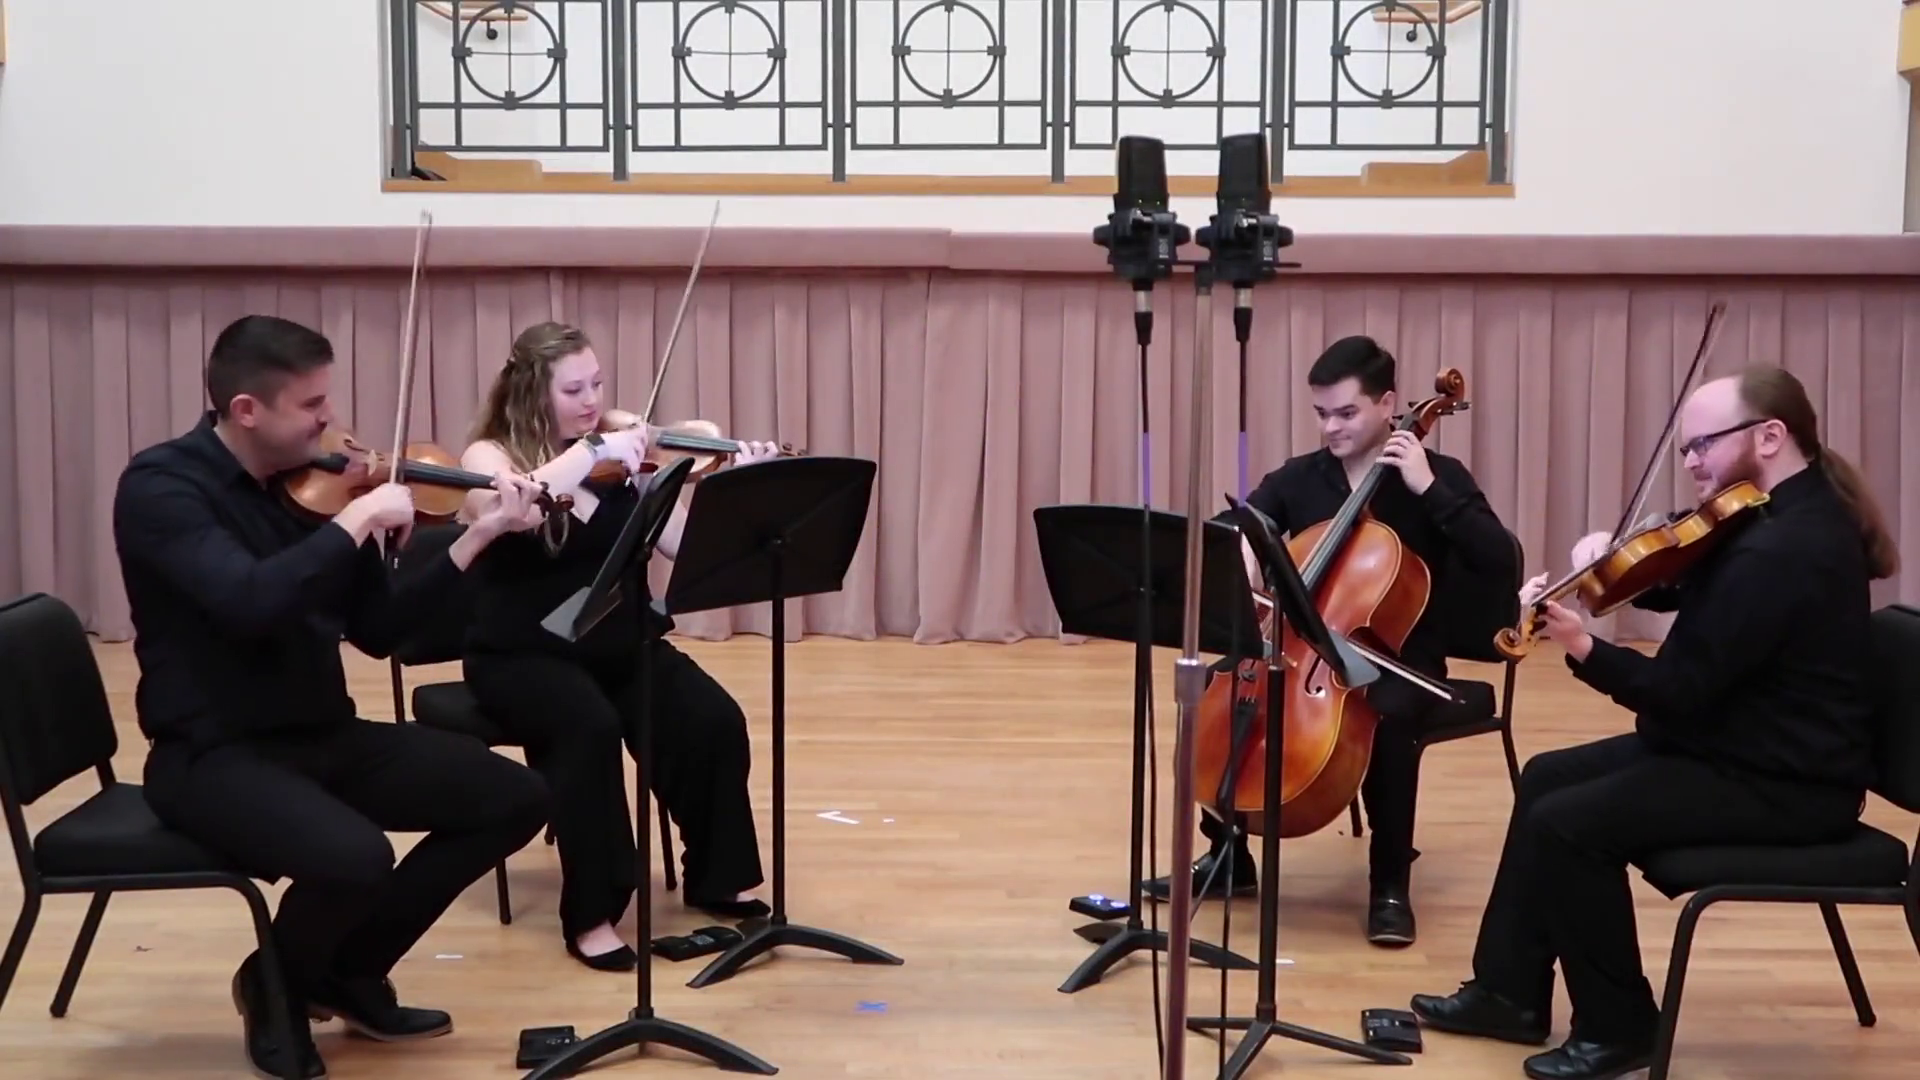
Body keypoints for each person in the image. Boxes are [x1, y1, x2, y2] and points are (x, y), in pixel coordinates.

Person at [1408, 366, 1899, 1080]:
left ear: (1770, 436)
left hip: (1784, 782)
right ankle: (1507, 992)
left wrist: (1582, 646)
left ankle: (1620, 1027)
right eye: (1686, 450)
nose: (1693, 462)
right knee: (1547, 779)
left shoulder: (1786, 549)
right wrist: (1615, 563)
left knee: (1570, 824)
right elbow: (1695, 580)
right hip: (1742, 745)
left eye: (1704, 445)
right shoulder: (1776, 511)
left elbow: (1674, 692)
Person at [113, 314, 555, 1080]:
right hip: (212, 753)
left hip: (321, 732)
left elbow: (382, 632)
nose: (332, 423)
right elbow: (248, 601)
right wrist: (353, 522)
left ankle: (345, 973)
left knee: (511, 796)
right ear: (246, 410)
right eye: (311, 405)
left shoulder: (311, 494)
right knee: (355, 857)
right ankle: (274, 987)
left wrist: (477, 540)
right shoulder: (162, 488)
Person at [1144, 335, 1519, 947]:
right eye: (1322, 414)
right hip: (1305, 642)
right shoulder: (1304, 477)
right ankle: (1229, 855)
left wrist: (1430, 491)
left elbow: (1497, 559)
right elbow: (1241, 527)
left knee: (1387, 718)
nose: (1331, 428)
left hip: (1399, 656)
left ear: (1388, 404)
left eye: (1346, 413)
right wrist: (1237, 554)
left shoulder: (1436, 477)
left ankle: (1390, 882)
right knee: (1218, 686)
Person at [456, 321, 782, 972]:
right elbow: (517, 498)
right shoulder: (491, 457)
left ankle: (717, 875)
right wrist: (600, 452)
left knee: (710, 717)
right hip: (522, 655)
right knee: (589, 729)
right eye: (573, 388)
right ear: (530, 393)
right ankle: (593, 912)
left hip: (615, 641)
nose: (590, 399)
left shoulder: (619, 455)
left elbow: (681, 549)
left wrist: (721, 485)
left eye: (597, 383)